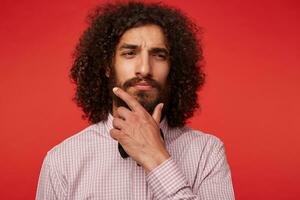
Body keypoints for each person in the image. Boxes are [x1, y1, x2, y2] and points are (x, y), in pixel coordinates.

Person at [36, 1, 235, 199]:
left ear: (173, 68)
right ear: (107, 66)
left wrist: (157, 160)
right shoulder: (62, 161)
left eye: (159, 55)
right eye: (130, 53)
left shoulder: (207, 153)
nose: (145, 69)